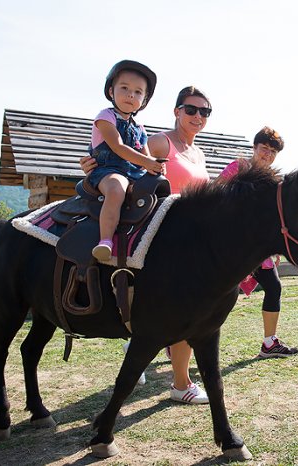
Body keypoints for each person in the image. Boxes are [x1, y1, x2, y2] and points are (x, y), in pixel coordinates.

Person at [81, 86, 212, 404]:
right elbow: (132, 174)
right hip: (161, 236)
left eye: (204, 112)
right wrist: (94, 168)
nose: (197, 116)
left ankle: (154, 360)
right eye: (190, 109)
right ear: (177, 111)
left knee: (188, 313)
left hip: (191, 241)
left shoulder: (199, 154)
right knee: (185, 313)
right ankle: (181, 383)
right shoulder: (159, 142)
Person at [218, 127, 298, 358]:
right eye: (264, 148)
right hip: (232, 245)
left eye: (273, 151)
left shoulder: (273, 180)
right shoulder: (238, 168)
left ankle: (269, 342)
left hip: (259, 249)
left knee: (274, 287)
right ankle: (179, 340)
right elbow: (217, 195)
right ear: (254, 148)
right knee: (220, 296)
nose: (268, 154)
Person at [86, 60, 163, 262]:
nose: (131, 94)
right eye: (125, 88)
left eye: (138, 92)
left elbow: (146, 155)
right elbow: (118, 147)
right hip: (108, 170)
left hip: (134, 173)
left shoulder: (140, 126)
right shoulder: (105, 117)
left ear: (144, 99)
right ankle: (105, 240)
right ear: (111, 92)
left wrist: (155, 165)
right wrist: (147, 162)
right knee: (116, 189)